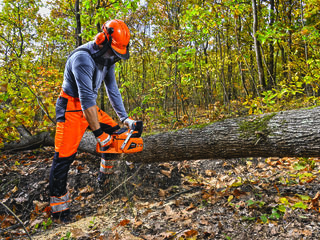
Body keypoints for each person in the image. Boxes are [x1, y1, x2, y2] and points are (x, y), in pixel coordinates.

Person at [49, 19, 137, 222]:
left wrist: (125, 119)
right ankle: (60, 211)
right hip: (70, 107)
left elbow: (112, 89)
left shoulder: (108, 59)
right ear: (102, 40)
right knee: (63, 158)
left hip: (88, 107)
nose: (114, 56)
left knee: (116, 136)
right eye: (112, 51)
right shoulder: (83, 58)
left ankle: (104, 181)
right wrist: (99, 135)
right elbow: (86, 99)